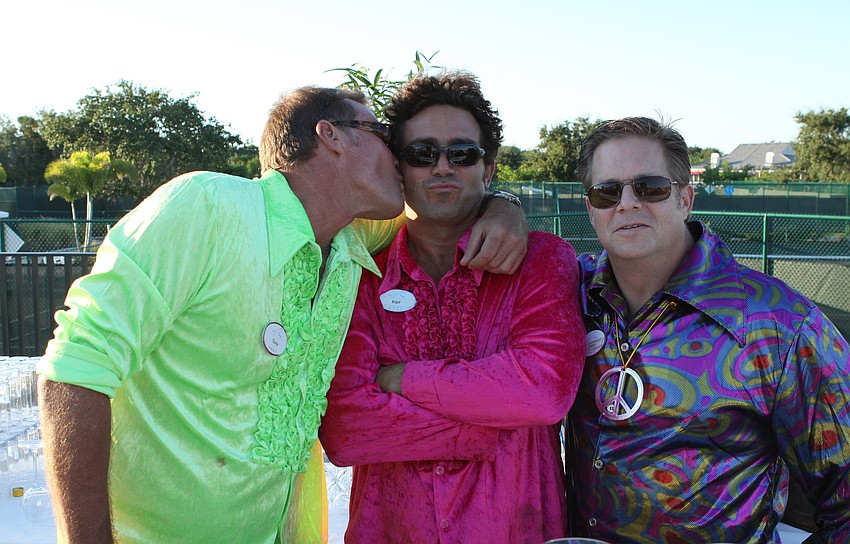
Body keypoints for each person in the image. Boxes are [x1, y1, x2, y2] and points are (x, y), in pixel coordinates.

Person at [36, 85, 527, 543]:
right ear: (331, 135)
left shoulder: (352, 239)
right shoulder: (207, 208)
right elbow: (73, 373)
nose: (400, 158)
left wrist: (505, 206)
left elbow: (447, 201)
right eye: (383, 136)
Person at [319, 71, 585, 543]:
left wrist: (402, 380)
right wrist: (489, 431)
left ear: (488, 167)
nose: (442, 167)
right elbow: (345, 428)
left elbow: (542, 390)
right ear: (398, 167)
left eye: (462, 153)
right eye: (423, 154)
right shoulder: (361, 270)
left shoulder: (542, 260)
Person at [567, 116, 850, 543]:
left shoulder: (777, 322)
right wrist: (504, 203)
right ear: (591, 211)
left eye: (650, 187)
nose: (626, 203)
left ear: (685, 199)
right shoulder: (568, 294)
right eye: (607, 192)